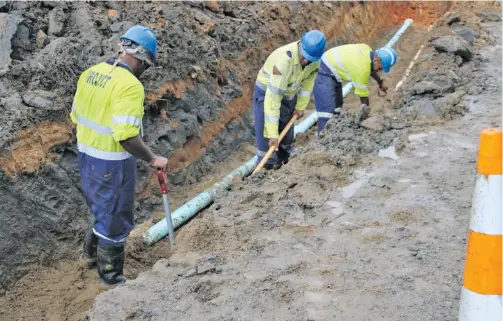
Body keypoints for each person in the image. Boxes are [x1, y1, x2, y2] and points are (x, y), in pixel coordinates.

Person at [70, 25, 168, 286]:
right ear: (140, 58)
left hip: (87, 156)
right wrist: (151, 157)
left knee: (100, 207)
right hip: (111, 163)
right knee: (115, 217)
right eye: (146, 64)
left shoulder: (91, 73)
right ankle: (111, 277)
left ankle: (89, 257)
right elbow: (125, 136)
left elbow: (75, 116)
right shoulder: (130, 86)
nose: (145, 70)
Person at [253, 30, 326, 169]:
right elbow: (273, 99)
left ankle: (286, 160)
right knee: (266, 136)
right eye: (304, 57)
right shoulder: (284, 61)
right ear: (300, 45)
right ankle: (267, 167)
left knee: (286, 131)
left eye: (310, 59)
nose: (306, 61)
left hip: (290, 92)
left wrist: (300, 106)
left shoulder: (314, 61)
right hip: (267, 93)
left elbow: (307, 84)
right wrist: (273, 134)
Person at [313, 44, 398, 135]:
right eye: (380, 68)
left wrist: (380, 82)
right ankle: (322, 141)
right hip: (323, 70)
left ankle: (333, 134)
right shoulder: (361, 69)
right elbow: (364, 98)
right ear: (376, 60)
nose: (379, 71)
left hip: (332, 68)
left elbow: (371, 68)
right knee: (326, 112)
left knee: (337, 106)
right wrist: (367, 119)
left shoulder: (368, 51)